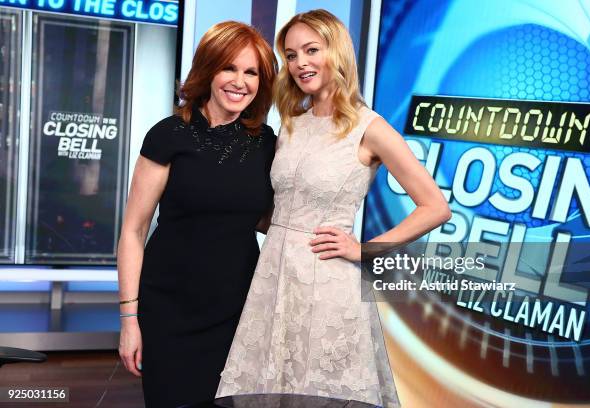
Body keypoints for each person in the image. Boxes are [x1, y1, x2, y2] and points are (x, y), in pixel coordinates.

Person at [215, 9, 451, 407]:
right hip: (273, 277)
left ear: (337, 51)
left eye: (311, 50)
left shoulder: (369, 127)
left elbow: (435, 207)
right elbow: (280, 207)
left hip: (326, 281)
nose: (300, 63)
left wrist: (364, 251)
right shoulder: (291, 123)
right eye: (291, 55)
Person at [117, 21, 277, 407]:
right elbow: (133, 232)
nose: (240, 81)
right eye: (229, 68)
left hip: (236, 311)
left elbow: (265, 220)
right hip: (168, 308)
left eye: (251, 72)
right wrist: (128, 321)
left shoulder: (267, 144)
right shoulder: (168, 134)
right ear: (208, 70)